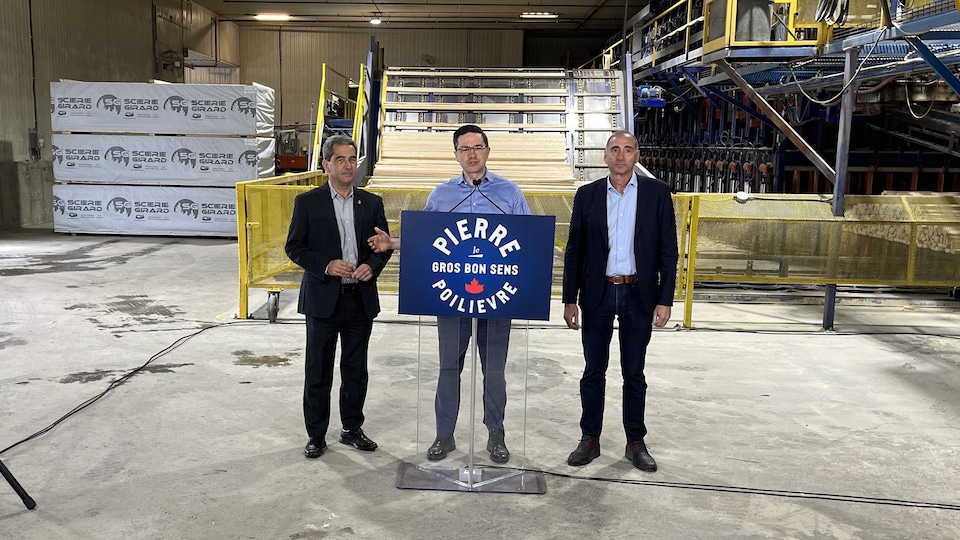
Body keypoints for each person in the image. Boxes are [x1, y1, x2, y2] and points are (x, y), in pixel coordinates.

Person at [368, 124, 530, 464]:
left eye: (477, 147)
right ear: (456, 154)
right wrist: (392, 243)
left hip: (498, 297)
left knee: (495, 371)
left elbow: (528, 241)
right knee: (447, 369)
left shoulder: (510, 193)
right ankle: (445, 434)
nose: (471, 154)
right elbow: (425, 237)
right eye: (464, 148)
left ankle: (496, 434)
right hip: (452, 297)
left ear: (488, 151)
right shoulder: (441, 195)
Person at [562, 130, 679, 472]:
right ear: (605, 156)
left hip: (638, 295)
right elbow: (575, 252)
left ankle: (635, 442)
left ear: (637, 156)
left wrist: (665, 299)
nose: (621, 155)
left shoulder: (657, 194)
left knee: (634, 373)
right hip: (597, 294)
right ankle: (590, 439)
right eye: (614, 149)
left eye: (628, 149)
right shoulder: (587, 195)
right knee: (593, 371)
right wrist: (571, 299)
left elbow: (668, 252)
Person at [285, 134, 393, 459]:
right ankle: (316, 435)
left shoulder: (371, 203)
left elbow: (383, 246)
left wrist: (372, 267)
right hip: (323, 300)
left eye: (352, 159)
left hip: (359, 300)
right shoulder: (308, 202)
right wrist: (326, 265)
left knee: (355, 369)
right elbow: (294, 247)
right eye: (341, 160)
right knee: (318, 370)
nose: (348, 166)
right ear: (326, 165)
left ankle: (351, 428)